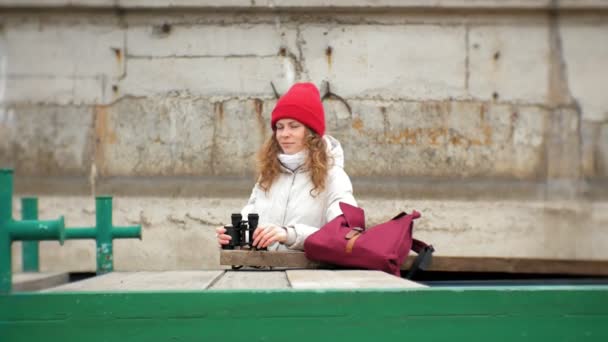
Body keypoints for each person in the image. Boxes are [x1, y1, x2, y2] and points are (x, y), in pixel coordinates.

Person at [216, 82, 357, 251]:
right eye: (279, 127)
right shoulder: (269, 173)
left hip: (308, 275)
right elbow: (252, 222)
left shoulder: (334, 177)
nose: (284, 134)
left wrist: (289, 235)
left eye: (294, 126)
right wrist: (236, 236)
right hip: (263, 272)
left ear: (312, 132)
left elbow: (345, 234)